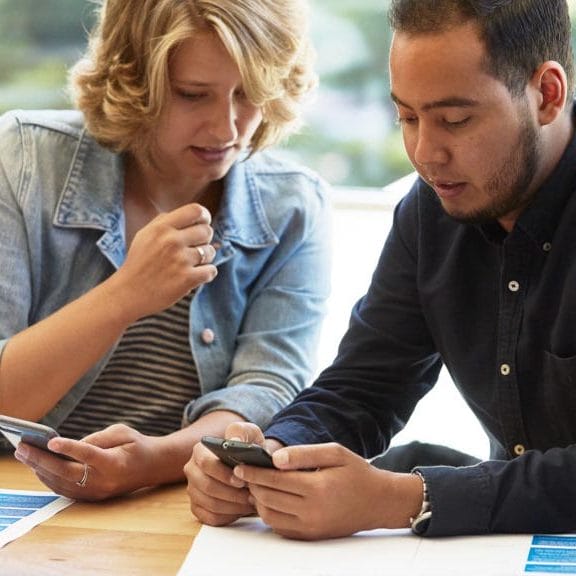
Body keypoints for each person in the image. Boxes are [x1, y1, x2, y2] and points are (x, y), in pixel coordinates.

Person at [185, 0, 576, 540]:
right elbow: (366, 384)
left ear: (547, 95)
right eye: (407, 117)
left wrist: (411, 499)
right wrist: (273, 457)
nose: (425, 153)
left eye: (455, 120)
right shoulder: (432, 209)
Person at [0, 0, 331, 501]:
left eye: (247, 94)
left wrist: (149, 463)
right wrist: (126, 295)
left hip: (174, 501)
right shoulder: (25, 160)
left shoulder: (293, 207)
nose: (226, 129)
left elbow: (266, 393)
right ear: (132, 81)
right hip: (20, 497)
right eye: (192, 95)